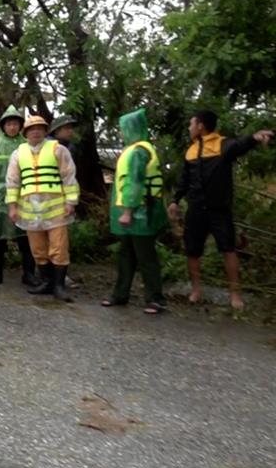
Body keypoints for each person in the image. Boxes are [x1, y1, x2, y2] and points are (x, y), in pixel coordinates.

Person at [168, 110, 273, 309]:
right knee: (192, 251)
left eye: (191, 124)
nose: (189, 128)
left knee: (228, 250)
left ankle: (235, 294)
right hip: (196, 210)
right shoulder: (190, 151)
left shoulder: (223, 145)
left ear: (200, 126)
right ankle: (196, 290)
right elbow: (184, 180)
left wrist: (255, 138)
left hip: (219, 210)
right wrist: (175, 200)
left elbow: (240, 145)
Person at [6, 115, 79, 302]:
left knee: (59, 248)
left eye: (39, 128)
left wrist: (71, 202)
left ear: (46, 131)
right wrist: (12, 207)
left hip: (56, 209)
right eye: (31, 129)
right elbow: (12, 182)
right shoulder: (18, 153)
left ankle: (59, 286)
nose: (35, 131)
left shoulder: (58, 150)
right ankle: (47, 282)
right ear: (26, 133)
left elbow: (69, 177)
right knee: (38, 249)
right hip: (30, 210)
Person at [101, 108, 168, 314]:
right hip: (135, 214)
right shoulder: (135, 149)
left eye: (123, 129)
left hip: (141, 213)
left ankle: (155, 299)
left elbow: (135, 183)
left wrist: (128, 211)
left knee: (146, 256)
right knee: (125, 255)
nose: (122, 133)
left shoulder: (139, 151)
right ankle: (120, 295)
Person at [0, 106, 40, 287]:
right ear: (3, 126)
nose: (12, 127)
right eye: (9, 124)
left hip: (23, 195)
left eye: (15, 124)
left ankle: (28, 273)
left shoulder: (26, 145)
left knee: (25, 236)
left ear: (20, 126)